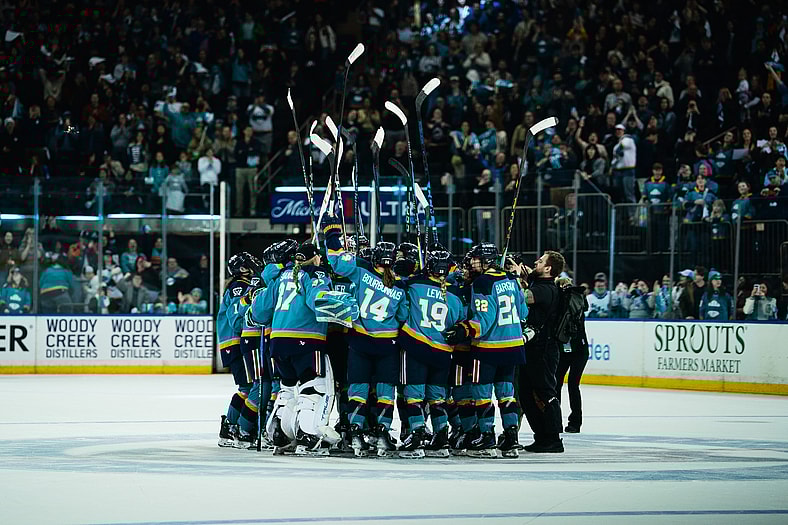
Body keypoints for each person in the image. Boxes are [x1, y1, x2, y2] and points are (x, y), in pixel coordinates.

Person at [324, 217, 408, 458]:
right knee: (384, 392)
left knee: (358, 389)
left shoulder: (361, 272)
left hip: (360, 341)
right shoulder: (399, 287)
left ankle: (356, 432)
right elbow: (402, 316)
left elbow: (337, 263)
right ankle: (382, 433)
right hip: (387, 345)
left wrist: (332, 234)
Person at [249, 242, 343, 455]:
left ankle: (281, 436)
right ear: (316, 258)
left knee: (288, 390)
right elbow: (317, 301)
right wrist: (337, 304)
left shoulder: (282, 275)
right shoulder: (315, 274)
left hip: (278, 342)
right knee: (313, 390)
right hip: (307, 340)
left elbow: (259, 312)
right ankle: (307, 436)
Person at [444, 242, 527, 458]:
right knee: (506, 394)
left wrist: (463, 329)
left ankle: (486, 437)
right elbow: (523, 310)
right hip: (513, 347)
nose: (472, 263)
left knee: (482, 395)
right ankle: (511, 439)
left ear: (486, 260)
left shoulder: (482, 282)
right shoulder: (511, 279)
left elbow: (484, 321)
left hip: (490, 348)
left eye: (476, 259)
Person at [398, 248, 466, 458]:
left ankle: (417, 436)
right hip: (443, 352)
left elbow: (400, 303)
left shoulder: (414, 284)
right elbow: (461, 320)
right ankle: (441, 439)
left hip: (416, 348)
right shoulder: (455, 293)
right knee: (437, 398)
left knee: (414, 396)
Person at [215, 252, 264, 448]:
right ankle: (242, 429)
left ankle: (229, 427)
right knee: (252, 387)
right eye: (250, 263)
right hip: (235, 342)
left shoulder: (239, 285)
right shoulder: (238, 287)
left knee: (245, 388)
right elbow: (236, 317)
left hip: (233, 344)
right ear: (243, 269)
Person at [519, 250, 565, 453]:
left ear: (548, 268)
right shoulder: (541, 285)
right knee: (527, 394)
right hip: (533, 348)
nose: (536, 263)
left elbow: (523, 298)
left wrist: (512, 281)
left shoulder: (546, 289)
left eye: (540, 261)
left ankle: (553, 438)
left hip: (544, 350)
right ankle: (542, 435)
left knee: (545, 392)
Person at [554, 276, 589, 434]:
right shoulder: (563, 303)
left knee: (568, 385)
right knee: (562, 386)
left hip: (576, 350)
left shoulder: (575, 301)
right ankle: (564, 421)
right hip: (568, 350)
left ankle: (569, 422)